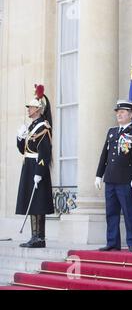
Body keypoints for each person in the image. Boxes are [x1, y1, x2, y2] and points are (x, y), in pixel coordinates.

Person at [95, 100, 132, 253]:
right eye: (118, 112)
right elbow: (104, 155)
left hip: (126, 180)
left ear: (131, 114)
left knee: (129, 213)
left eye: (123, 112)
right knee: (111, 213)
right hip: (110, 179)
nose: (119, 114)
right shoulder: (112, 131)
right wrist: (99, 175)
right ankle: (112, 242)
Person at [16, 84, 54, 248]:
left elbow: (45, 151)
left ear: (38, 109)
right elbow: (23, 150)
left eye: (31, 107)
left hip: (38, 167)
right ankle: (34, 236)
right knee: (31, 203)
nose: (28, 110)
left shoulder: (43, 126)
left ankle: (40, 237)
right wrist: (20, 138)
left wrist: (40, 171)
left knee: (38, 202)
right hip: (29, 165)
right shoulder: (31, 126)